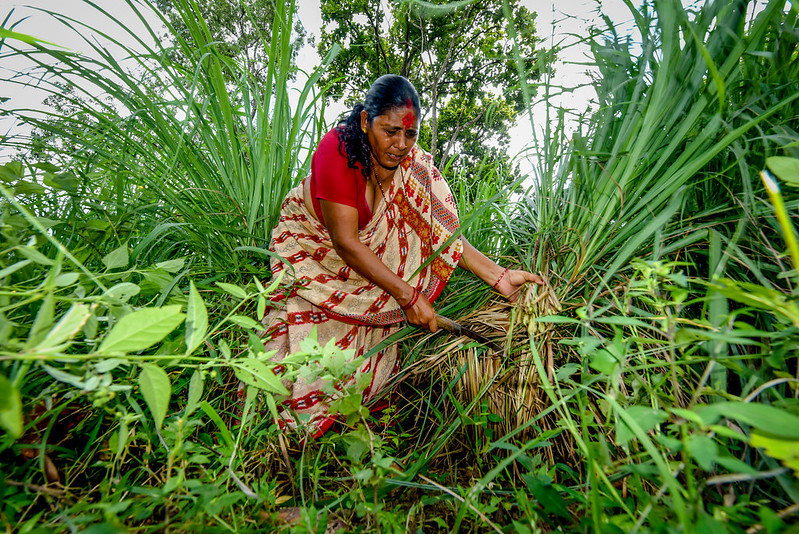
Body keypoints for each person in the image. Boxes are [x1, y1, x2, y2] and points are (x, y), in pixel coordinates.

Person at [261, 74, 543, 437]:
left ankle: (361, 411)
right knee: (302, 354)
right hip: (316, 251)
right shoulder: (336, 152)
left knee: (365, 372)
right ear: (365, 121)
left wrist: (498, 276)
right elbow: (346, 243)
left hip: (364, 261)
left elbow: (439, 233)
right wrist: (408, 296)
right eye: (390, 131)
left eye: (410, 134)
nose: (400, 145)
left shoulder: (412, 167)